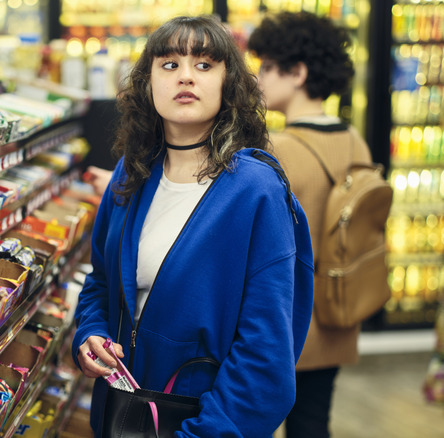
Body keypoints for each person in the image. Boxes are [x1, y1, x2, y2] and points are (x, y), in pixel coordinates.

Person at [71, 15, 314, 437]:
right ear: (147, 83)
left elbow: (265, 356)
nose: (185, 76)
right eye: (169, 64)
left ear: (228, 83)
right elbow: (101, 282)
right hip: (121, 415)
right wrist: (91, 332)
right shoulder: (131, 173)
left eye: (204, 65)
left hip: (201, 424)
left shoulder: (256, 191)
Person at [247, 11, 374, 438]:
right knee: (313, 423)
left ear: (298, 73)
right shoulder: (355, 140)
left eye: (268, 67)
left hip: (286, 322)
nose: (259, 78)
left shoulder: (276, 148)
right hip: (339, 311)